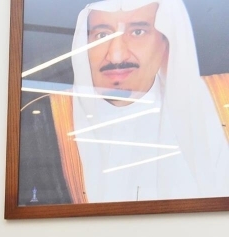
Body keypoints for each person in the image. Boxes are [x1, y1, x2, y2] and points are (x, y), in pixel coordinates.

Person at [18, 0, 229, 205]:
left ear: (166, 41)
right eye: (102, 35)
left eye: (137, 32)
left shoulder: (220, 101)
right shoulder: (42, 119)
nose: (116, 56)